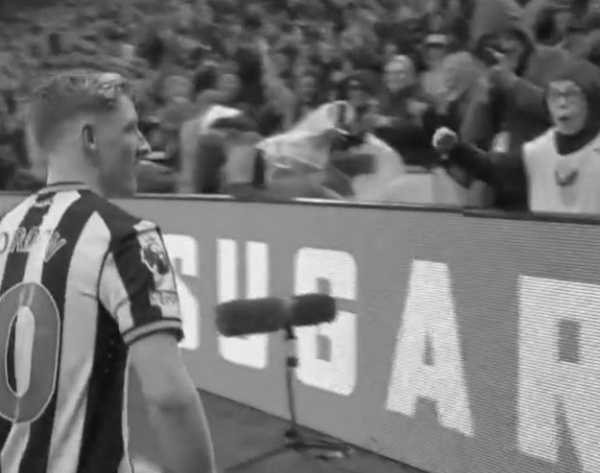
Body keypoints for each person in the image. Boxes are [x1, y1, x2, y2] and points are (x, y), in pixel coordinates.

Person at [0, 71, 216, 473]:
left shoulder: (6, 228)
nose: (145, 145)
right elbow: (169, 398)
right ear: (91, 138)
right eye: (131, 129)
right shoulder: (125, 238)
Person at [432, 60, 600, 214]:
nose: (562, 103)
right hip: (546, 236)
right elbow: (496, 170)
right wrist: (457, 149)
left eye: (572, 94)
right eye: (555, 95)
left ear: (591, 100)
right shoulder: (539, 150)